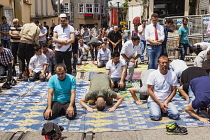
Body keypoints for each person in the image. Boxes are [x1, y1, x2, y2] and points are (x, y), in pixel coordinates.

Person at [147, 55, 180, 121]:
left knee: (176, 115)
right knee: (155, 116)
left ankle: (162, 109)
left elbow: (174, 90)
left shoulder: (172, 74)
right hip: (155, 100)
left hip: (166, 100)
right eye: (162, 63)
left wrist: (166, 102)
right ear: (158, 64)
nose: (164, 65)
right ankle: (158, 108)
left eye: (166, 63)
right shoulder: (153, 74)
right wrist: (160, 103)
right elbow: (149, 90)